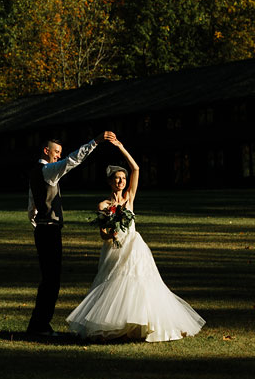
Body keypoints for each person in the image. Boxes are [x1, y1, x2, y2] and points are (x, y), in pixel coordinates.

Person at [66, 137, 204, 342]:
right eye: (117, 178)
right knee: (112, 283)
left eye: (123, 178)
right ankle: (115, 325)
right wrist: (110, 234)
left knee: (140, 281)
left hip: (134, 246)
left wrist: (121, 147)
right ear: (110, 181)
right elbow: (102, 233)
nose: (121, 181)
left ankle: (145, 323)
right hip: (114, 248)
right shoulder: (103, 205)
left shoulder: (129, 197)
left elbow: (137, 169)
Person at [27, 132, 115, 336]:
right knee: (52, 280)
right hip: (48, 229)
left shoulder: (34, 172)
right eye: (56, 151)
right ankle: (39, 327)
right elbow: (72, 160)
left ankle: (38, 325)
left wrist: (36, 223)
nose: (58, 155)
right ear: (46, 151)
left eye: (59, 152)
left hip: (42, 229)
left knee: (48, 279)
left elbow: (31, 205)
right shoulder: (48, 170)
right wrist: (95, 142)